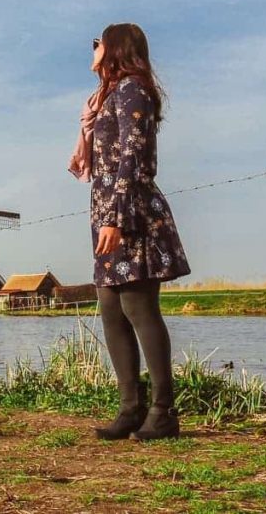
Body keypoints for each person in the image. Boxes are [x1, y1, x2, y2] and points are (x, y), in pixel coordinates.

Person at [68, 22, 191, 441]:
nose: (94, 47)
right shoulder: (106, 98)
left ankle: (163, 412)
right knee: (110, 309)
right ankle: (129, 408)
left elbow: (133, 156)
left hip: (129, 213)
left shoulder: (132, 90)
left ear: (116, 47)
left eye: (98, 41)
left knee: (139, 308)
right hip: (107, 213)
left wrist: (117, 217)